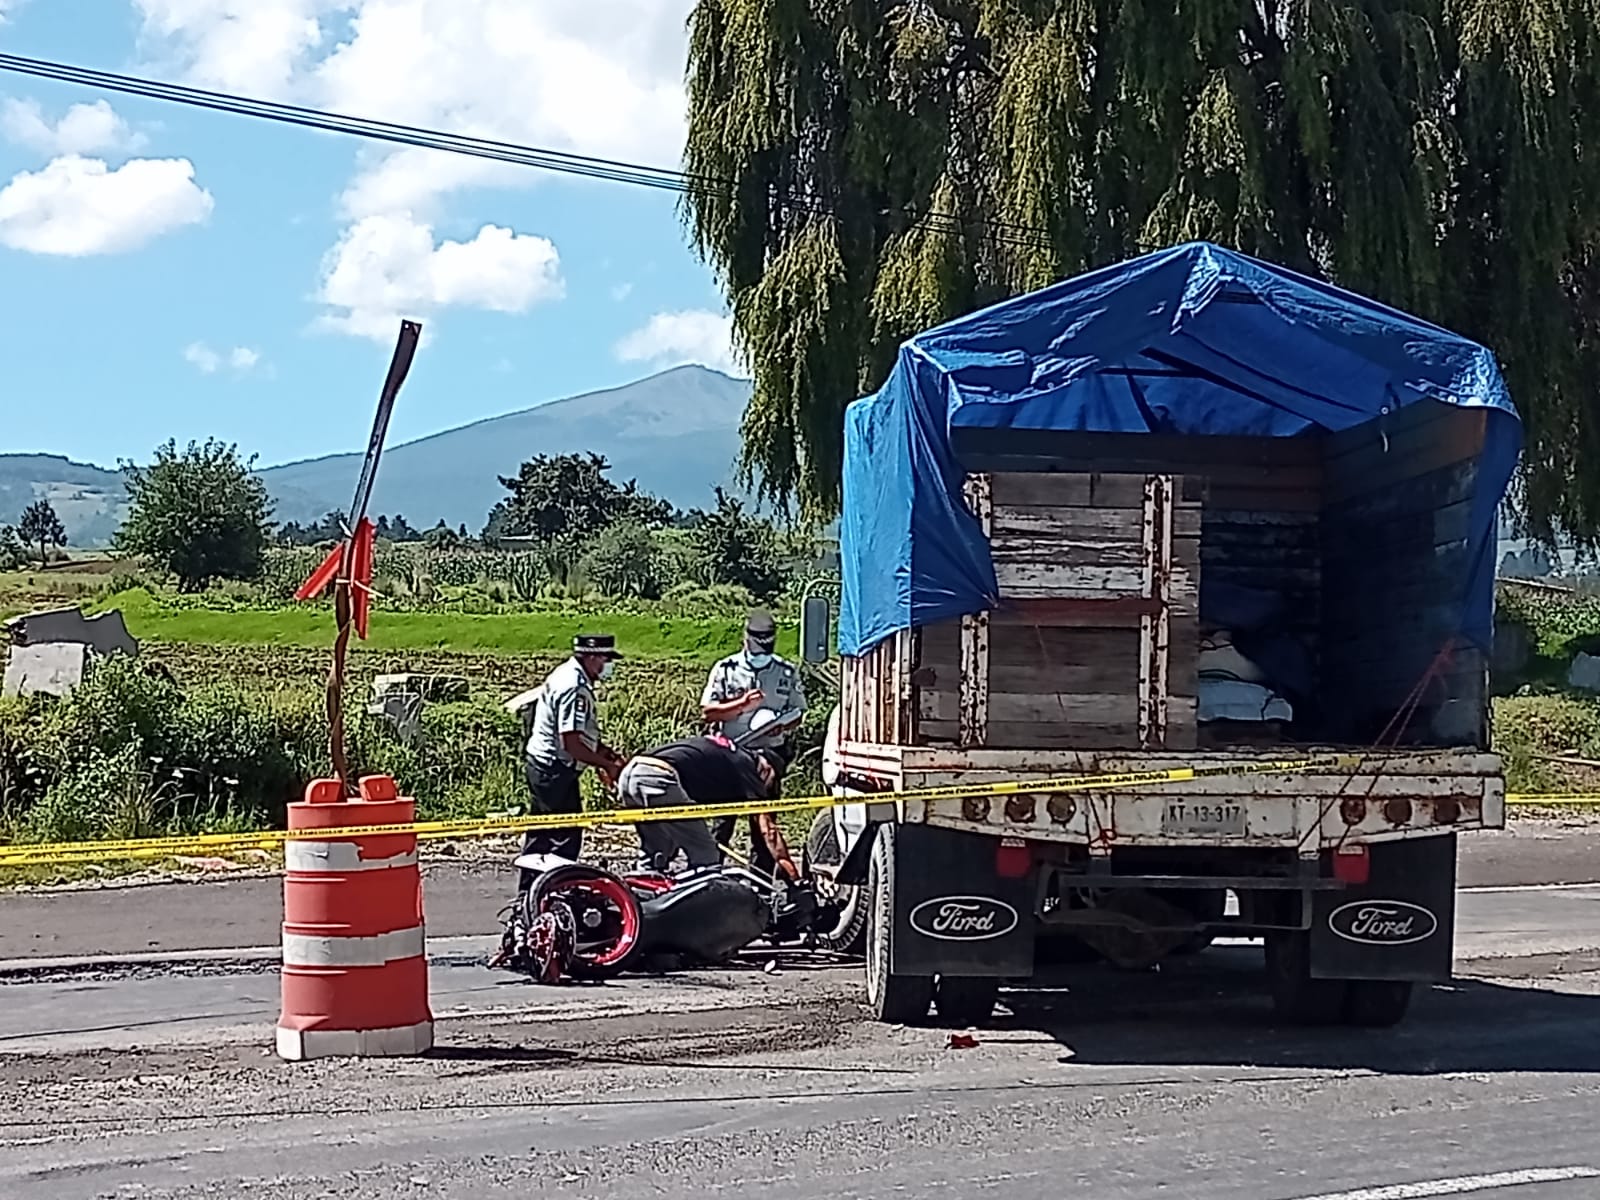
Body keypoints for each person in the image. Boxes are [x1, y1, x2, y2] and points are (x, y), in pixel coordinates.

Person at [516, 633, 627, 893]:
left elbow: (581, 735)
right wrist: (606, 765)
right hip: (554, 770)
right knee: (562, 839)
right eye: (604, 659)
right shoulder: (573, 687)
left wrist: (605, 753)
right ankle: (552, 896)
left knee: (541, 836)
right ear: (590, 657)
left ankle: (530, 896)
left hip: (546, 766)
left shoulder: (568, 675)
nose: (607, 666)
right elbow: (571, 743)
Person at [702, 609, 807, 869]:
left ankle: (760, 880)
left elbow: (798, 712)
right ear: (746, 638)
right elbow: (708, 711)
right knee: (721, 823)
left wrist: (781, 726)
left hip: (768, 753)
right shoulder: (726, 669)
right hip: (730, 753)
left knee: (764, 823)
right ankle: (709, 872)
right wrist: (741, 705)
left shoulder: (786, 671)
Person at [615, 735, 777, 872]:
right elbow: (767, 828)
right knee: (706, 854)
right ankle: (702, 905)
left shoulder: (728, 754)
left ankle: (640, 898)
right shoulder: (748, 765)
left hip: (631, 773)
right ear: (766, 768)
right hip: (658, 776)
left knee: (657, 850)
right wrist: (789, 868)